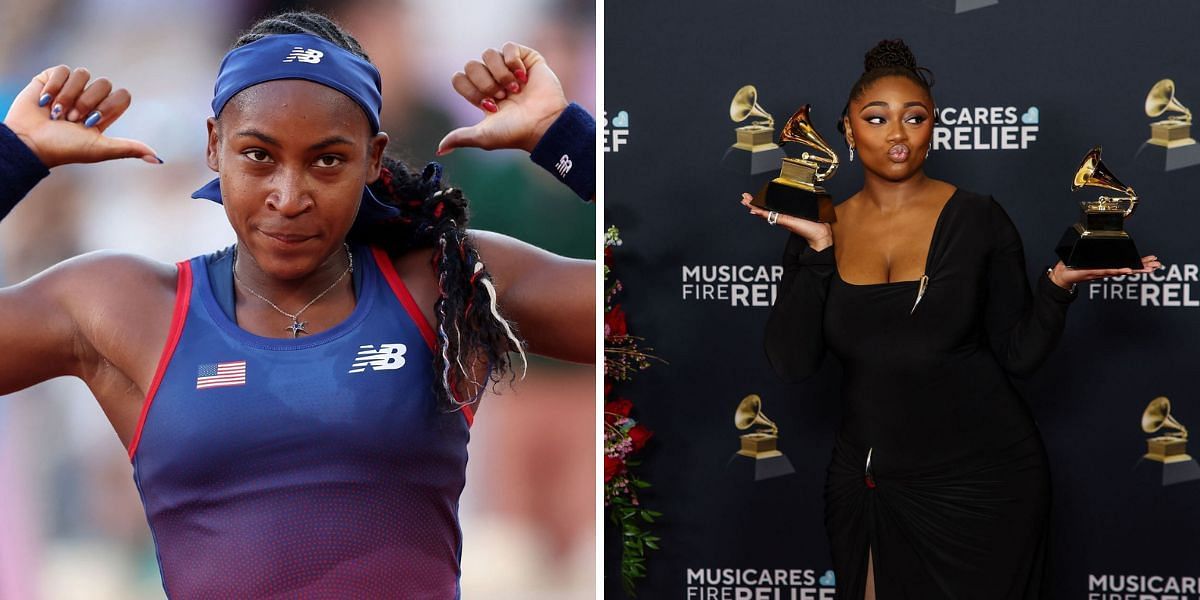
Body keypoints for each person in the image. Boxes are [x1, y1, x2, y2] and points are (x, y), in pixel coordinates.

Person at [0, 11, 594, 598]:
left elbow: (682, 297)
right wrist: (14, 157)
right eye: (259, 154)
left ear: (373, 158)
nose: (289, 196)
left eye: (327, 160)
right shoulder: (125, 309)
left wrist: (564, 138)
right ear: (214, 145)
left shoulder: (449, 282)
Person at [740, 39, 1158, 600]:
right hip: (873, 482)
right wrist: (817, 250)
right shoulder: (821, 225)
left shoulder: (980, 219)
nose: (897, 134)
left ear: (933, 128)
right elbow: (791, 364)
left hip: (987, 480)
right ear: (847, 130)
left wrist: (1058, 288)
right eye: (877, 118)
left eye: (915, 118)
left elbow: (1019, 356)